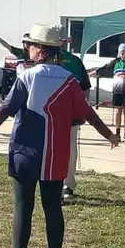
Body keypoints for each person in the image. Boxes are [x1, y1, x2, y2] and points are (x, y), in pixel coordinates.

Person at [0, 23, 118, 248]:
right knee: (53, 208)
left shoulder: (27, 76)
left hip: (26, 151)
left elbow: (5, 109)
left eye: (30, 45)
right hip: (55, 156)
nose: (27, 49)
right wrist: (109, 134)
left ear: (39, 49)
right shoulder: (68, 80)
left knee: (23, 207)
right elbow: (87, 114)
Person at [54, 40, 91, 202]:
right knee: (64, 147)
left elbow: (85, 87)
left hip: (67, 113)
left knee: (68, 147)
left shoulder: (74, 61)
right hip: (52, 112)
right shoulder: (44, 60)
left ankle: (66, 183)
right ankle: (58, 182)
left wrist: (82, 109)